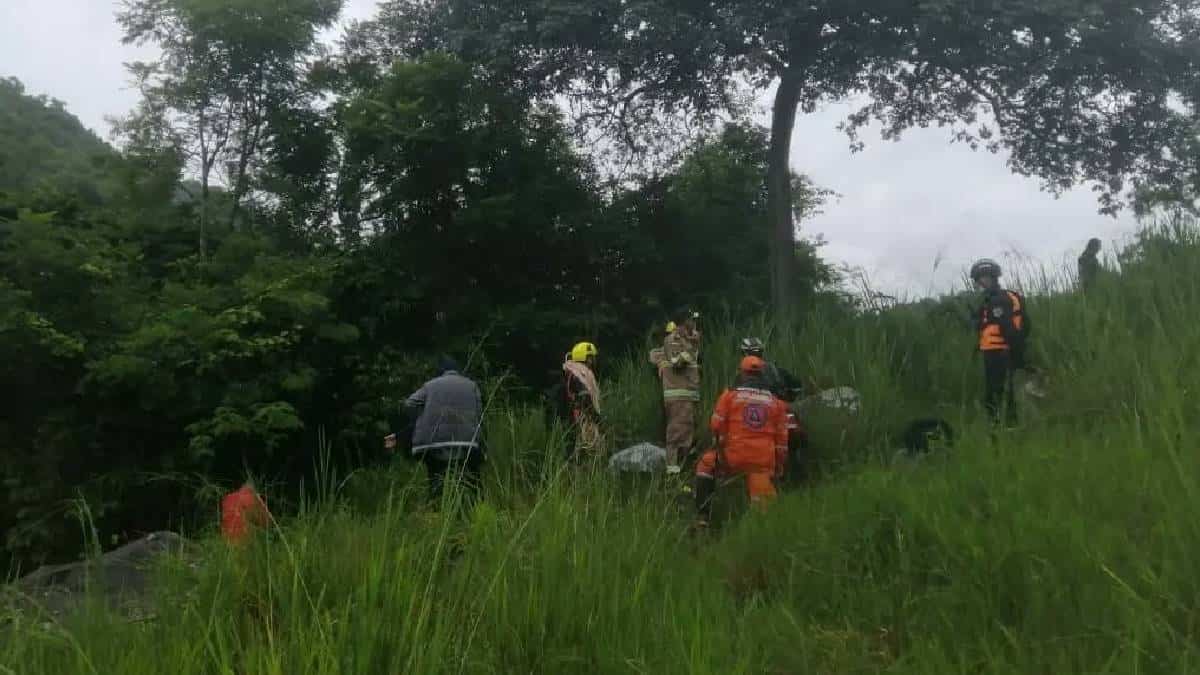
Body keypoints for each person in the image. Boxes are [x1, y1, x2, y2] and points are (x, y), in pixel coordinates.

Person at [693, 356, 790, 529]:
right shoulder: (777, 404)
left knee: (705, 464)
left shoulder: (729, 396)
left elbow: (715, 425)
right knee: (765, 509)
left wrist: (721, 446)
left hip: (733, 458)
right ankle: (761, 530)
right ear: (762, 375)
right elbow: (782, 443)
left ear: (742, 373)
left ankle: (702, 517)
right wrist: (778, 467)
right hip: (762, 463)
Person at [386, 356, 485, 504]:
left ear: (441, 372)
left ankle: (436, 505)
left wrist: (426, 415)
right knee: (470, 475)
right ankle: (476, 504)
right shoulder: (472, 385)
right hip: (466, 442)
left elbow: (409, 404)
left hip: (432, 443)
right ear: (457, 371)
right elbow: (479, 411)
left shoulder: (429, 385)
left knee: (436, 475)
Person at [970, 258, 1030, 427]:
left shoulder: (998, 300)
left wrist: (1017, 357)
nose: (978, 284)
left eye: (980, 280)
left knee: (997, 394)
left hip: (1000, 353)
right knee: (1003, 393)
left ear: (989, 278)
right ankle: (1007, 426)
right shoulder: (993, 298)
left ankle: (999, 429)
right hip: (995, 352)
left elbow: (1008, 329)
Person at [656, 308, 702, 475]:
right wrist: (692, 346)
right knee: (676, 438)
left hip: (688, 398)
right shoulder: (673, 339)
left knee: (687, 438)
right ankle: (673, 480)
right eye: (692, 319)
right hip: (678, 398)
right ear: (685, 321)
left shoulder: (686, 339)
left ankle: (683, 475)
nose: (695, 323)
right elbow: (676, 362)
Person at [562, 342, 605, 460]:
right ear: (588, 358)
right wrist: (597, 419)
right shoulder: (579, 374)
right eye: (592, 357)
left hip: (573, 419)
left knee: (577, 450)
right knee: (583, 452)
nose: (594, 361)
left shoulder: (572, 372)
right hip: (580, 419)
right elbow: (585, 399)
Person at [221, 481, 270, 545]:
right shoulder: (252, 498)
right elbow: (266, 522)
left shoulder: (227, 498)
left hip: (226, 542)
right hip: (244, 542)